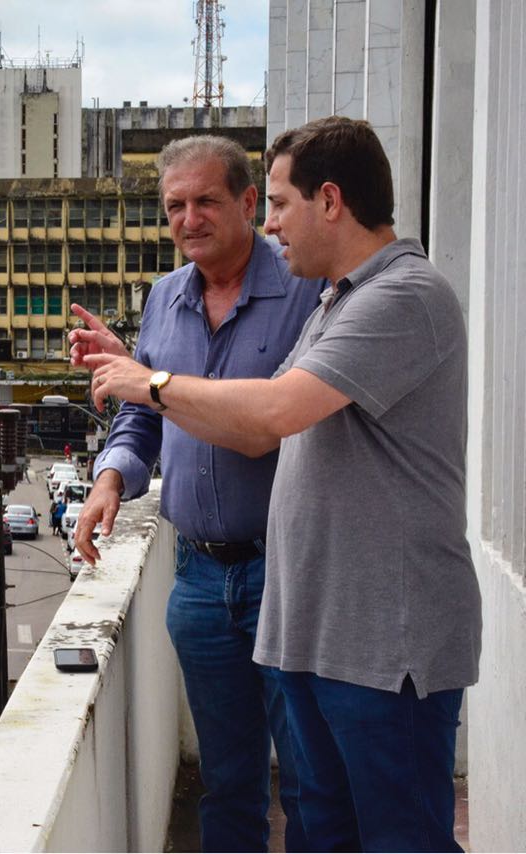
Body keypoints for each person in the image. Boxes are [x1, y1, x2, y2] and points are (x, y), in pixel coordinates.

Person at [84, 116, 481, 852]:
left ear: (329, 200)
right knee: (320, 830)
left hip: (381, 639)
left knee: (398, 837)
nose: (272, 224)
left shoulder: (403, 297)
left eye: (278, 204)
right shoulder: (339, 300)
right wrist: (140, 394)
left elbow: (271, 412)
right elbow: (242, 424)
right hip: (317, 627)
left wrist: (152, 381)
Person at [71, 134, 322, 852]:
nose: (189, 218)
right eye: (175, 205)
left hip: (287, 570)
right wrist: (112, 478)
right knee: (228, 776)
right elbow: (141, 413)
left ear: (249, 202)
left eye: (207, 200)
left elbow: (265, 424)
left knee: (306, 778)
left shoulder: (303, 291)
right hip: (200, 578)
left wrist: (137, 379)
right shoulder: (163, 299)